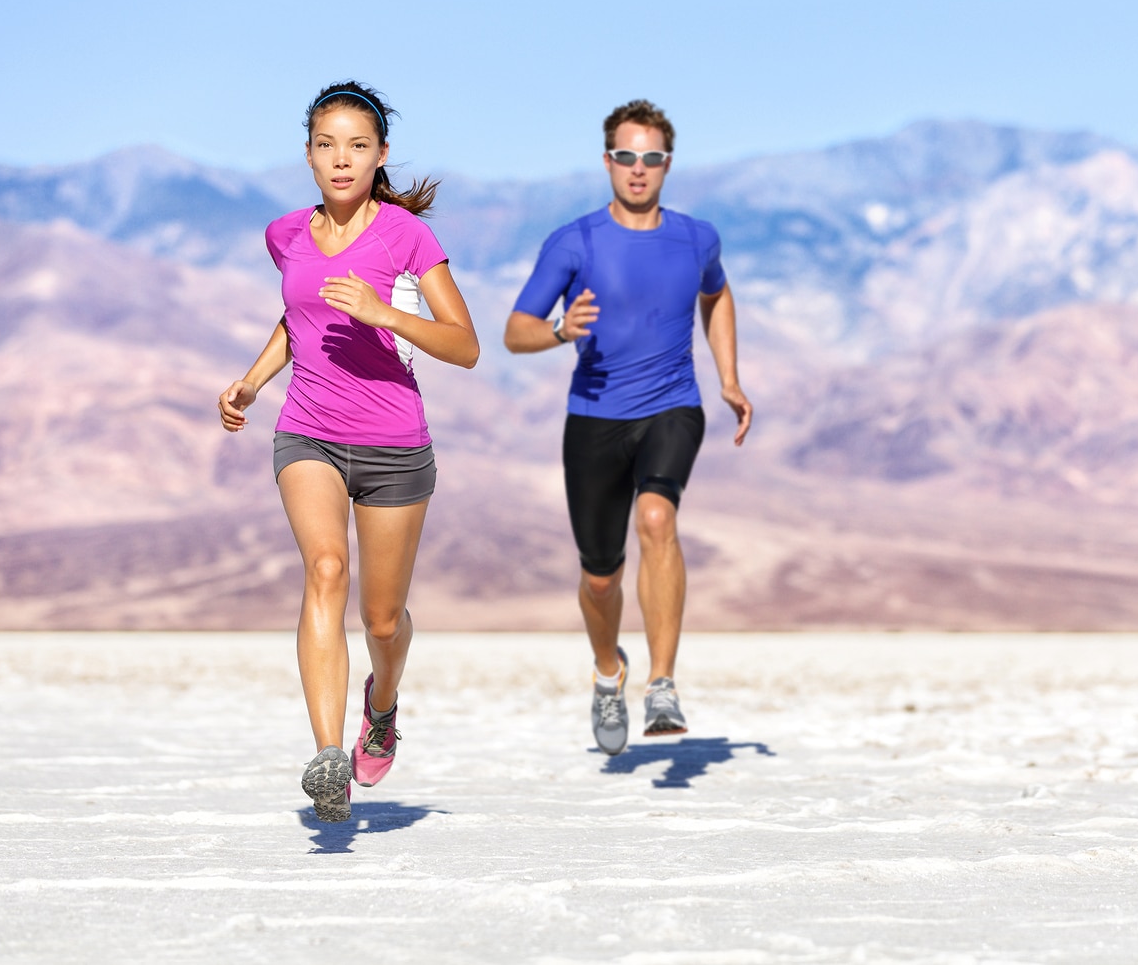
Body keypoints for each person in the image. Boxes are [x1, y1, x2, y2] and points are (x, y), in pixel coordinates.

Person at [217, 81, 479, 822]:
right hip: (308, 432)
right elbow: (298, 316)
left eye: (357, 145)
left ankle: (383, 704)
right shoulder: (285, 234)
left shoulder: (404, 236)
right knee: (324, 568)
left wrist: (382, 310)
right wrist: (250, 382)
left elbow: (465, 345)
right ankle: (328, 754)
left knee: (385, 620)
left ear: (381, 154)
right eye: (327, 144)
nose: (341, 159)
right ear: (307, 154)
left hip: (396, 445)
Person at [503, 99, 752, 756]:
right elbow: (515, 330)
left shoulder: (697, 237)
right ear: (607, 161)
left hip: (673, 404)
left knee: (657, 520)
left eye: (651, 158)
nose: (637, 170)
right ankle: (609, 670)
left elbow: (716, 292)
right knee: (600, 577)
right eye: (625, 156)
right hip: (593, 420)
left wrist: (727, 377)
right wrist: (560, 330)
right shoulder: (573, 241)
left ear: (668, 165)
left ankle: (663, 682)